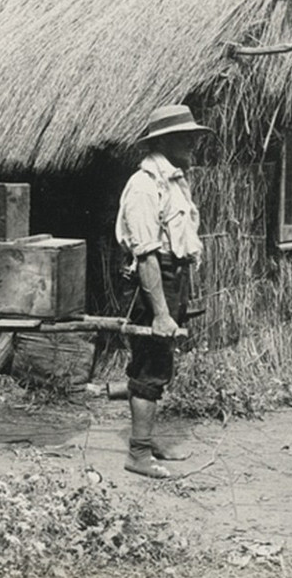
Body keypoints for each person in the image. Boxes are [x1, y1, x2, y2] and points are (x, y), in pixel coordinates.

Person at [114, 104, 210, 478]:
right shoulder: (143, 186)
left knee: (159, 361)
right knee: (151, 366)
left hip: (173, 278)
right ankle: (137, 454)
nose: (193, 144)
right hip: (154, 281)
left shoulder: (172, 179)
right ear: (166, 141)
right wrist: (161, 312)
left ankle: (146, 441)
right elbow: (147, 255)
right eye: (187, 137)